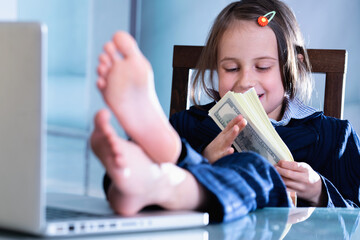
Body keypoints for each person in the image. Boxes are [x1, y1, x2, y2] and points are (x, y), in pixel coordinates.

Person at [91, 0, 359, 222]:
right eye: (230, 69)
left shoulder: (334, 137)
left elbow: (355, 217)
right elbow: (121, 166)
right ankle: (154, 177)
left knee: (257, 169)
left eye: (262, 67)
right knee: (132, 167)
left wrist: (319, 191)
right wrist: (206, 159)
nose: (245, 81)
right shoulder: (192, 125)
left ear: (292, 66)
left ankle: (174, 167)